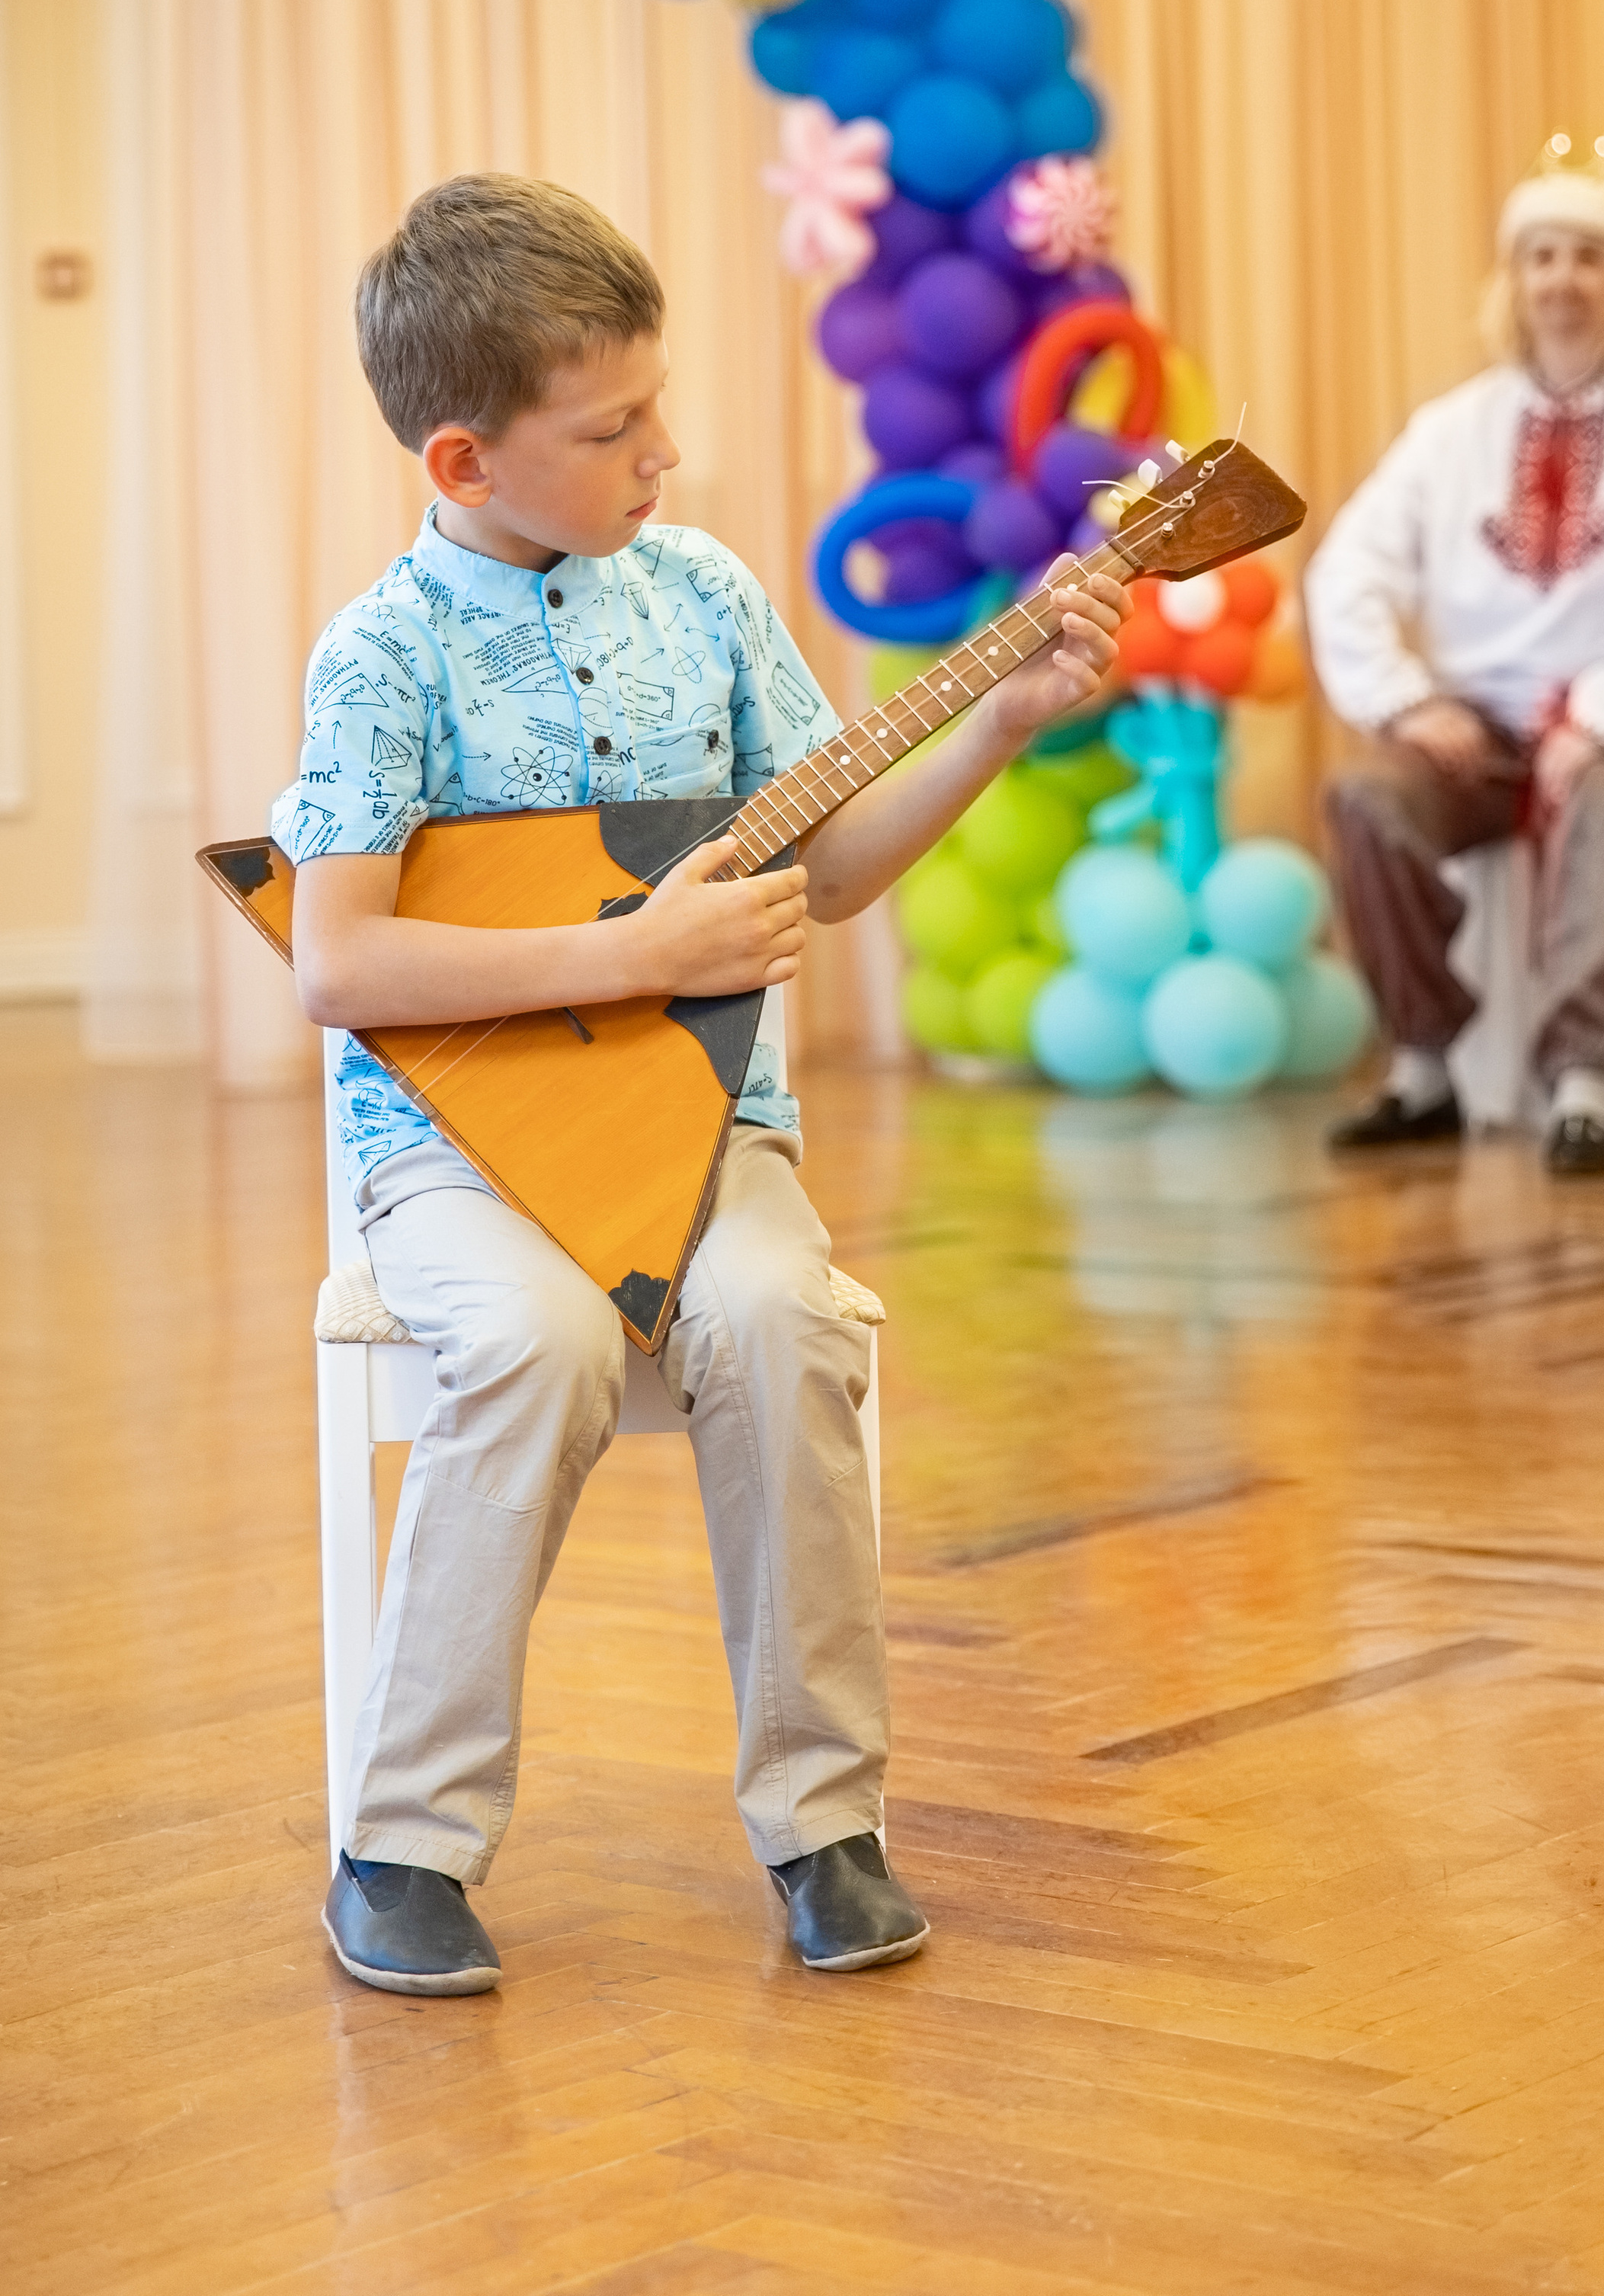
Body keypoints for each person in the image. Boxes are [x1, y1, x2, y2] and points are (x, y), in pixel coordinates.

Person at [274, 174, 1128, 1997]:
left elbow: (819, 863)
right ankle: (401, 1843)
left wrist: (991, 721)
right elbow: (338, 962)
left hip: (701, 1124)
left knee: (781, 1317)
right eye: (612, 427)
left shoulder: (709, 598)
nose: (667, 450)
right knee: (538, 1344)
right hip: (451, 1151)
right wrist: (630, 954)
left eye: (657, 405)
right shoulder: (378, 660)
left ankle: (824, 1821)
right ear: (460, 462)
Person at [1305, 146, 1604, 1177]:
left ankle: (1586, 1085)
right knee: (1367, 801)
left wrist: (1602, 720)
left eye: (1586, 257)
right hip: (1477, 727)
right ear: (1515, 282)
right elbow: (1346, 568)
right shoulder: (1452, 432)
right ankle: (1424, 1068)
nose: (1563, 280)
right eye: (1542, 258)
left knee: (1603, 803)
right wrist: (1404, 704)